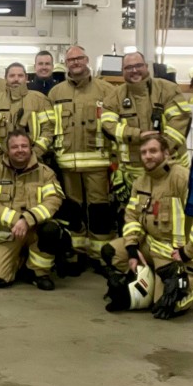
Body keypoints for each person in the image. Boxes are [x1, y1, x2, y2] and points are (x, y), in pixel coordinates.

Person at [102, 135, 193, 319]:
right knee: (110, 252)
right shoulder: (141, 181)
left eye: (153, 151)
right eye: (144, 152)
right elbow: (131, 216)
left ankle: (191, 281)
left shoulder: (182, 178)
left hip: (177, 254)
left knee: (165, 306)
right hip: (151, 245)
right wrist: (131, 248)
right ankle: (154, 279)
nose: (147, 156)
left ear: (166, 153)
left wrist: (187, 253)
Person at [48, 45, 116, 272]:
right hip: (67, 162)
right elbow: (49, 126)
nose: (75, 62)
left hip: (97, 161)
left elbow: (114, 124)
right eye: (71, 60)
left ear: (86, 60)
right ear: (66, 64)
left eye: (79, 58)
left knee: (99, 209)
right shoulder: (56, 93)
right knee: (73, 209)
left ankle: (100, 257)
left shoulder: (106, 90)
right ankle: (76, 254)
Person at [0, 129, 65, 290]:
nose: (20, 150)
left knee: (51, 230)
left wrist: (27, 219)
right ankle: (19, 262)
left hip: (36, 231)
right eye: (15, 147)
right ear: (7, 149)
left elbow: (53, 201)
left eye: (24, 146)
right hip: (7, 233)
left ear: (31, 148)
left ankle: (38, 272)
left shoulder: (46, 173)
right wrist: (16, 220)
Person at [101, 51, 191, 185]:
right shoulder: (114, 97)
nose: (134, 70)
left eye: (138, 65)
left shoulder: (168, 89)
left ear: (146, 66)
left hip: (170, 168)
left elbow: (180, 122)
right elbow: (108, 126)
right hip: (133, 173)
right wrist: (137, 135)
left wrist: (158, 151)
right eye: (129, 67)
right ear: (122, 71)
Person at [0, 62, 54, 163]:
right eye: (12, 75)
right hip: (1, 162)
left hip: (34, 162)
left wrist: (35, 154)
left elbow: (49, 129)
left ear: (26, 77)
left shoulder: (40, 100)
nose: (16, 79)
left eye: (20, 75)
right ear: (5, 78)